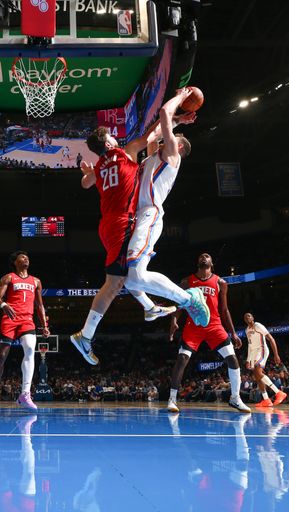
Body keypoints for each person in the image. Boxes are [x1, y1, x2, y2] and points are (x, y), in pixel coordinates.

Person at [70, 115, 206, 365]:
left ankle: (147, 307)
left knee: (122, 279)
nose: (115, 137)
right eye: (111, 135)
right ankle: (86, 335)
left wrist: (92, 171)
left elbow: (84, 183)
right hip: (123, 222)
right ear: (109, 143)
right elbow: (153, 135)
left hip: (107, 225)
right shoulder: (125, 152)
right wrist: (175, 120)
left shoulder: (101, 165)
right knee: (115, 283)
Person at [122, 88, 211, 322]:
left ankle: (188, 299)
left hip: (149, 215)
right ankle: (151, 307)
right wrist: (180, 118)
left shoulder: (173, 156)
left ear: (178, 146)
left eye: (174, 136)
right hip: (140, 217)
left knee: (133, 277)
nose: (169, 137)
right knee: (131, 280)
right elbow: (154, 132)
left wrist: (181, 98)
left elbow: (163, 113)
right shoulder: (154, 155)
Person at [168, 253, 251, 413]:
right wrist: (174, 320)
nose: (204, 257)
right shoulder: (187, 281)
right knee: (182, 359)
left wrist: (233, 333)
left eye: (207, 256)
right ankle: (172, 399)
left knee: (233, 360)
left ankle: (235, 398)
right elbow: (180, 304)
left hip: (214, 326)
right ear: (198, 262)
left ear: (211, 263)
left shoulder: (221, 282)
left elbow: (225, 309)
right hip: (194, 326)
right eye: (201, 256)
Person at [0, 251, 50, 412]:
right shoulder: (8, 278)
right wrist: (4, 305)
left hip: (27, 321)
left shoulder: (36, 281)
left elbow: (39, 305)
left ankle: (25, 394)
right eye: (22, 257)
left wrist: (44, 325)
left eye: (27, 257)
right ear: (15, 262)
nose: (26, 258)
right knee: (1, 357)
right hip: (10, 319)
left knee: (29, 349)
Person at [243, 312, 287, 407]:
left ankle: (279, 393)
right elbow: (249, 346)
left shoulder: (258, 325)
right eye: (245, 317)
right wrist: (248, 359)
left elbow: (271, 339)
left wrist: (276, 354)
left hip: (262, 349)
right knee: (257, 376)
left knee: (258, 372)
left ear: (252, 317)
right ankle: (266, 400)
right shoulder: (246, 330)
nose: (247, 318)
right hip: (253, 352)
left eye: (249, 316)